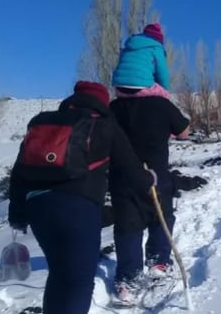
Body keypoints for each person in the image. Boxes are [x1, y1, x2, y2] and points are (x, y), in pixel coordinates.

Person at [8, 81, 156, 314]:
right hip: (78, 209)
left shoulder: (45, 124)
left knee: (58, 273)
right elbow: (131, 170)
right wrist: (150, 179)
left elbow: (18, 174)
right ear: (102, 102)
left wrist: (17, 214)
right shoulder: (104, 125)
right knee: (79, 280)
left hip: (37, 209)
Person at [108, 89, 190, 305]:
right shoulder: (161, 104)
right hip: (156, 174)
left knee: (127, 225)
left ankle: (128, 279)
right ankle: (158, 263)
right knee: (161, 217)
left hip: (122, 178)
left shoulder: (114, 108)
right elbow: (184, 132)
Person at [111, 23, 171, 99]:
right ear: (159, 39)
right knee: (165, 94)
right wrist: (164, 88)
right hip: (141, 87)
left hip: (119, 88)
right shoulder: (157, 48)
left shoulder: (129, 45)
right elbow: (162, 73)